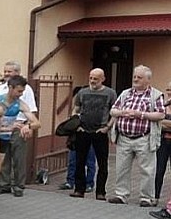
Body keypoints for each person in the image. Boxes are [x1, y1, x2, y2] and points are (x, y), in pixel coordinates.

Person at [108, 65, 165, 206]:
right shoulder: (126, 93)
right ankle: (121, 195)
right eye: (134, 77)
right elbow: (113, 111)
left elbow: (161, 114)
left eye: (139, 77)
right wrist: (123, 112)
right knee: (121, 168)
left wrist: (141, 115)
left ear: (148, 80)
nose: (135, 79)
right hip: (124, 138)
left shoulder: (155, 95)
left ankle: (146, 198)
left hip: (144, 138)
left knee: (147, 170)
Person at [0, 64, 38, 197]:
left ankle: (18, 186)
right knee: (4, 157)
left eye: (9, 72)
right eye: (5, 71)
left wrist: (27, 126)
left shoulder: (26, 90)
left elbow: (32, 111)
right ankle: (4, 184)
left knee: (19, 158)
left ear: (17, 72)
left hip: (19, 126)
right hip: (1, 129)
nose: (6, 74)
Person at [70, 69, 117, 200]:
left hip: (100, 132)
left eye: (95, 78)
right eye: (91, 78)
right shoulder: (82, 92)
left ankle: (101, 192)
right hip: (83, 131)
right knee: (80, 161)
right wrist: (76, 124)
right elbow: (76, 109)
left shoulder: (110, 93)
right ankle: (79, 189)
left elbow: (115, 112)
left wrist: (107, 127)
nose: (92, 81)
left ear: (103, 79)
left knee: (102, 163)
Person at [155, 81, 171, 202]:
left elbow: (160, 122)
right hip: (162, 142)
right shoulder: (163, 106)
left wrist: (163, 123)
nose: (169, 92)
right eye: (168, 89)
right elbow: (156, 122)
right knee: (159, 170)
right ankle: (155, 197)